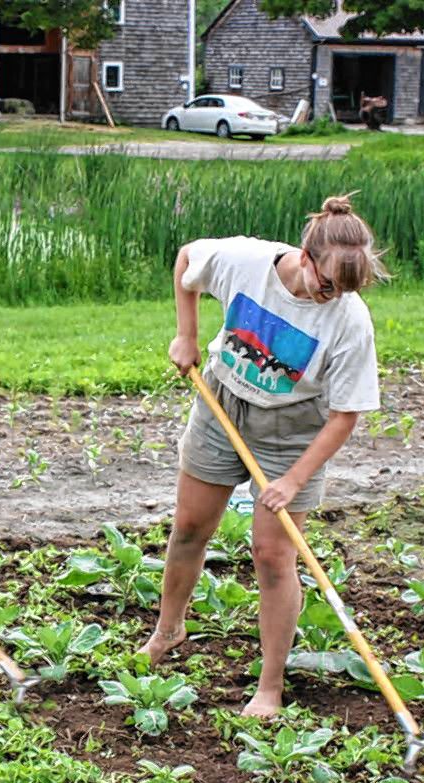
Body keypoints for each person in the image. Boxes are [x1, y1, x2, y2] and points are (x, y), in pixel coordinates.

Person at [140, 195, 386, 719]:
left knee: (272, 556)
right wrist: (186, 335)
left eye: (344, 289)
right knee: (188, 528)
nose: (331, 296)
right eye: (326, 284)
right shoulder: (247, 262)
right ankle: (168, 631)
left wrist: (294, 480)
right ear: (305, 255)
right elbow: (187, 259)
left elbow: (345, 415)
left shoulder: (349, 320)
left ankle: (270, 687)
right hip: (222, 401)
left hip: (294, 432)